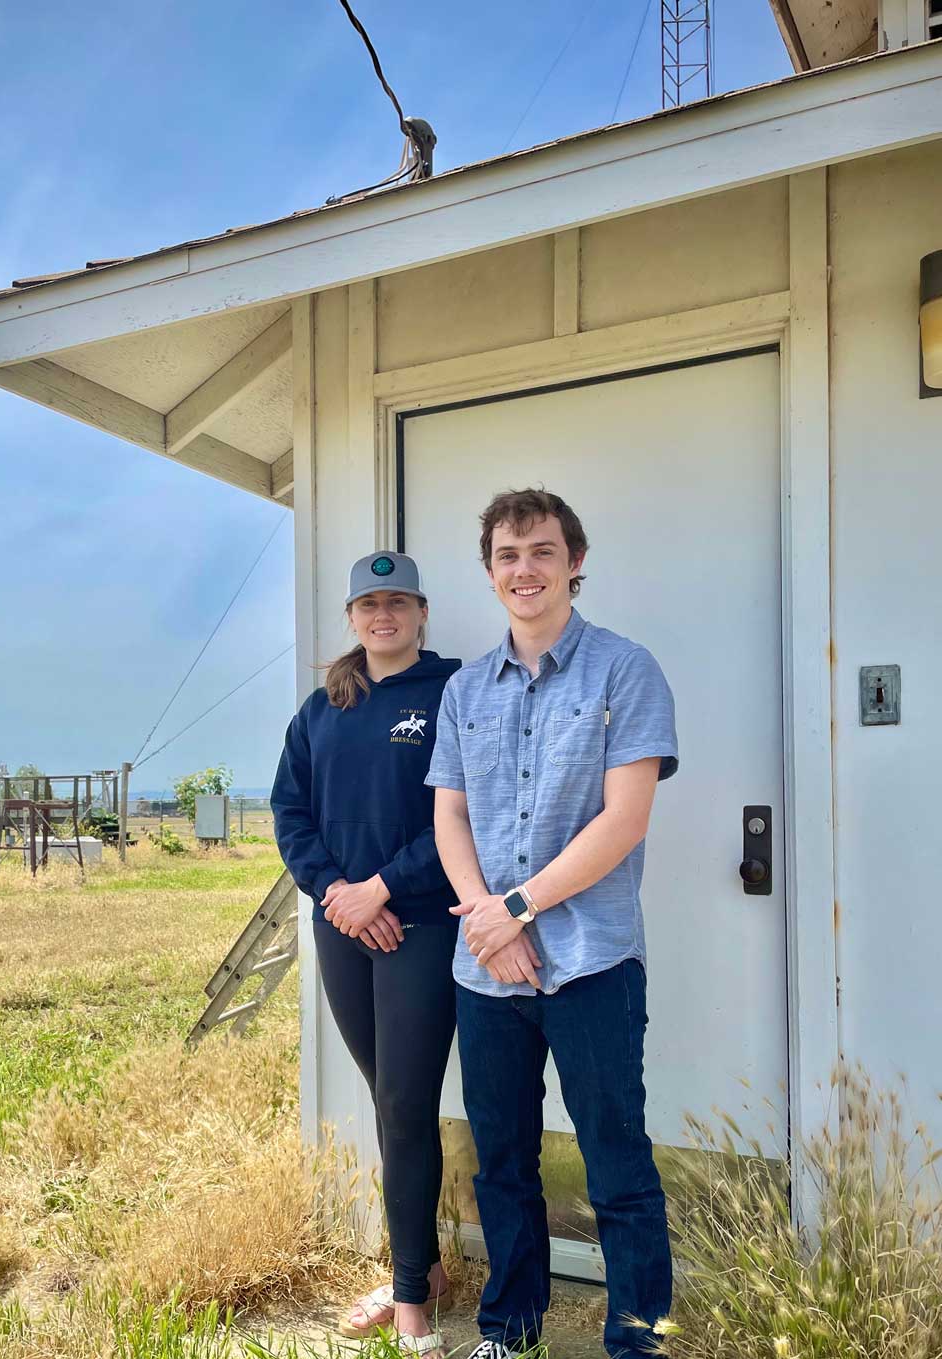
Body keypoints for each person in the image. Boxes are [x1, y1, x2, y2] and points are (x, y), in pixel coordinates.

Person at [426, 489, 679, 1359]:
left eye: (541, 551)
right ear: (490, 572)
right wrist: (488, 921)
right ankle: (511, 1329)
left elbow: (624, 818)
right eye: (506, 554)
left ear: (574, 561)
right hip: (486, 971)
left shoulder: (625, 669)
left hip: (593, 962)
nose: (524, 568)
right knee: (503, 1162)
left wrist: (520, 908)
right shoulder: (464, 690)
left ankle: (639, 1338)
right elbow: (449, 816)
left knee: (617, 1165)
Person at [271, 551, 460, 1359]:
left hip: (421, 926)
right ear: (351, 618)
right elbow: (290, 813)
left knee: (405, 1106)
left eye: (397, 601)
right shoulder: (322, 709)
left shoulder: (453, 694)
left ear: (420, 611)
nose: (382, 615)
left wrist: (382, 887)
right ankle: (426, 1266)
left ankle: (412, 1298)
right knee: (389, 1101)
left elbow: (465, 811)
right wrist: (342, 898)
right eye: (368, 603)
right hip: (344, 930)